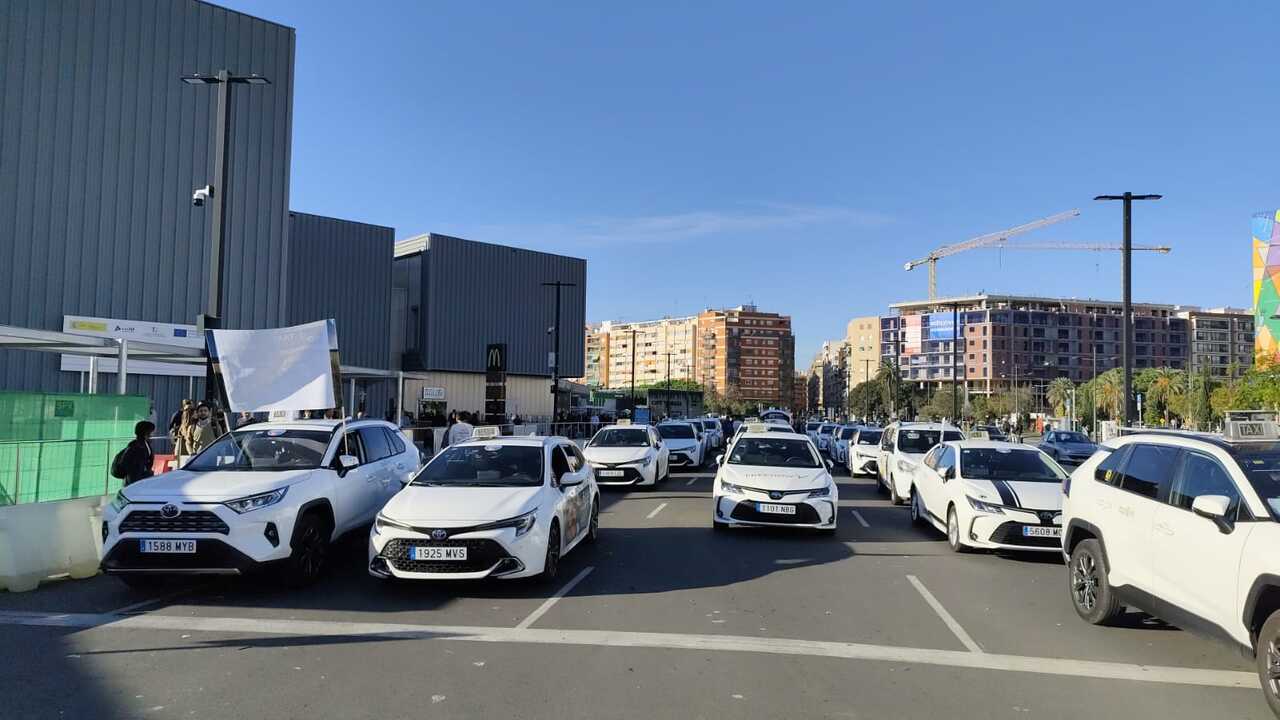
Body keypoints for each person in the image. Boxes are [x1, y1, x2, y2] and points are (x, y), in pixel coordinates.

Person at [118, 421, 156, 486]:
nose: (153, 435)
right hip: (135, 484)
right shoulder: (139, 448)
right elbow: (136, 472)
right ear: (146, 433)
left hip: (133, 482)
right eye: (152, 432)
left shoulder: (140, 444)